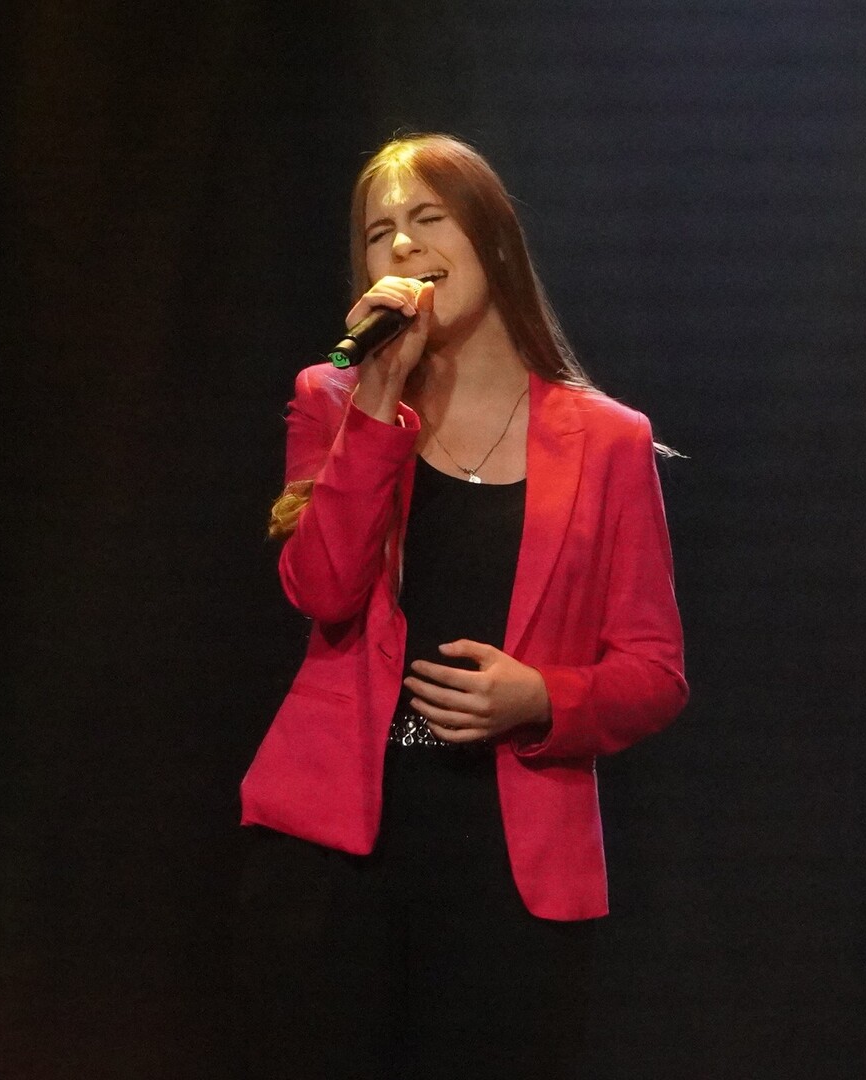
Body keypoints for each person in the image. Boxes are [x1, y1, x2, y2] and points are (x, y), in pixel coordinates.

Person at [234, 133, 687, 1079]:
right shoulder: (331, 397)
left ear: (492, 241)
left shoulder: (609, 440)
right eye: (379, 232)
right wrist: (375, 407)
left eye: (427, 219)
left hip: (510, 860)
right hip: (337, 849)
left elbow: (653, 672)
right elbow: (322, 590)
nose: (402, 246)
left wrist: (540, 698)